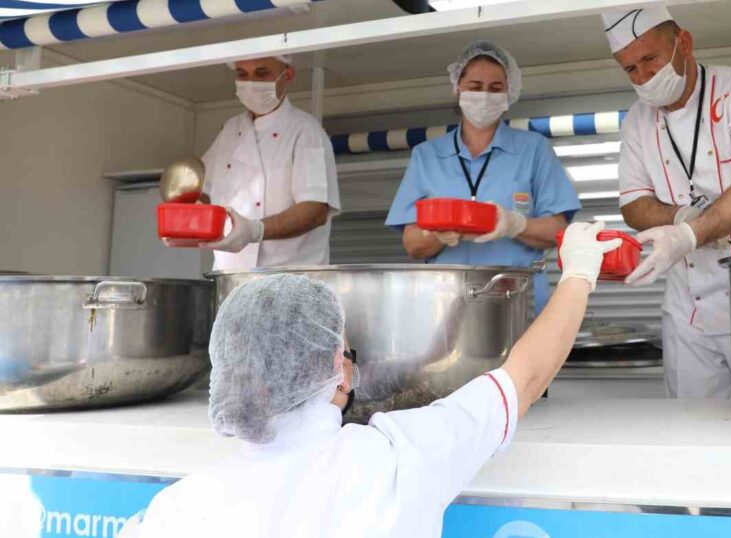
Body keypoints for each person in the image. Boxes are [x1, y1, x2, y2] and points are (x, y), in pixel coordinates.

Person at [119, 221, 621, 538]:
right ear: (340, 366)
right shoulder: (394, 459)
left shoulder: (177, 510)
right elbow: (525, 377)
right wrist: (579, 273)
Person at [604, 7, 731, 400]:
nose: (643, 78)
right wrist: (680, 216)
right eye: (630, 69)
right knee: (693, 434)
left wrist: (688, 235)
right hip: (689, 310)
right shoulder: (636, 121)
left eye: (650, 59)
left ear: (684, 42)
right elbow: (633, 203)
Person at [386, 41, 580, 312]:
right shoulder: (426, 156)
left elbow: (558, 232)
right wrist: (438, 234)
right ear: (458, 88)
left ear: (509, 93)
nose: (485, 96)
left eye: (495, 89)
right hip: (445, 303)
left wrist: (514, 224)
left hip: (516, 298)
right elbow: (412, 244)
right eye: (475, 87)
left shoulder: (534, 149)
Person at [175, 55, 340, 270]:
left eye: (261, 73)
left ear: (287, 75)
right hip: (230, 278)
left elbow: (314, 210)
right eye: (242, 74)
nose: (251, 82)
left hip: (290, 281)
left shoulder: (306, 131)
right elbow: (204, 190)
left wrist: (254, 230)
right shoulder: (230, 130)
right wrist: (187, 220)